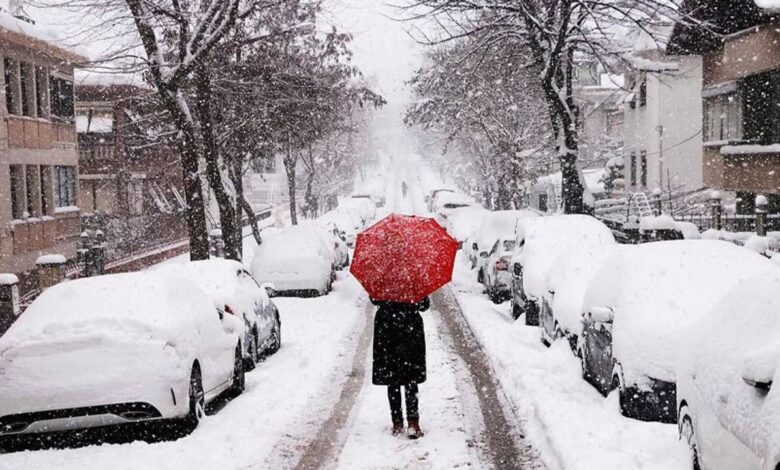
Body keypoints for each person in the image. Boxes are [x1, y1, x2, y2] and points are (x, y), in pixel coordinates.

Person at [371, 297, 429, 439]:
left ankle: (397, 422)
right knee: (410, 378)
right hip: (409, 329)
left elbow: (374, 299)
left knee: (393, 378)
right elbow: (424, 305)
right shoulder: (414, 279)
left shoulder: (382, 278)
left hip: (387, 329)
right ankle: (412, 422)